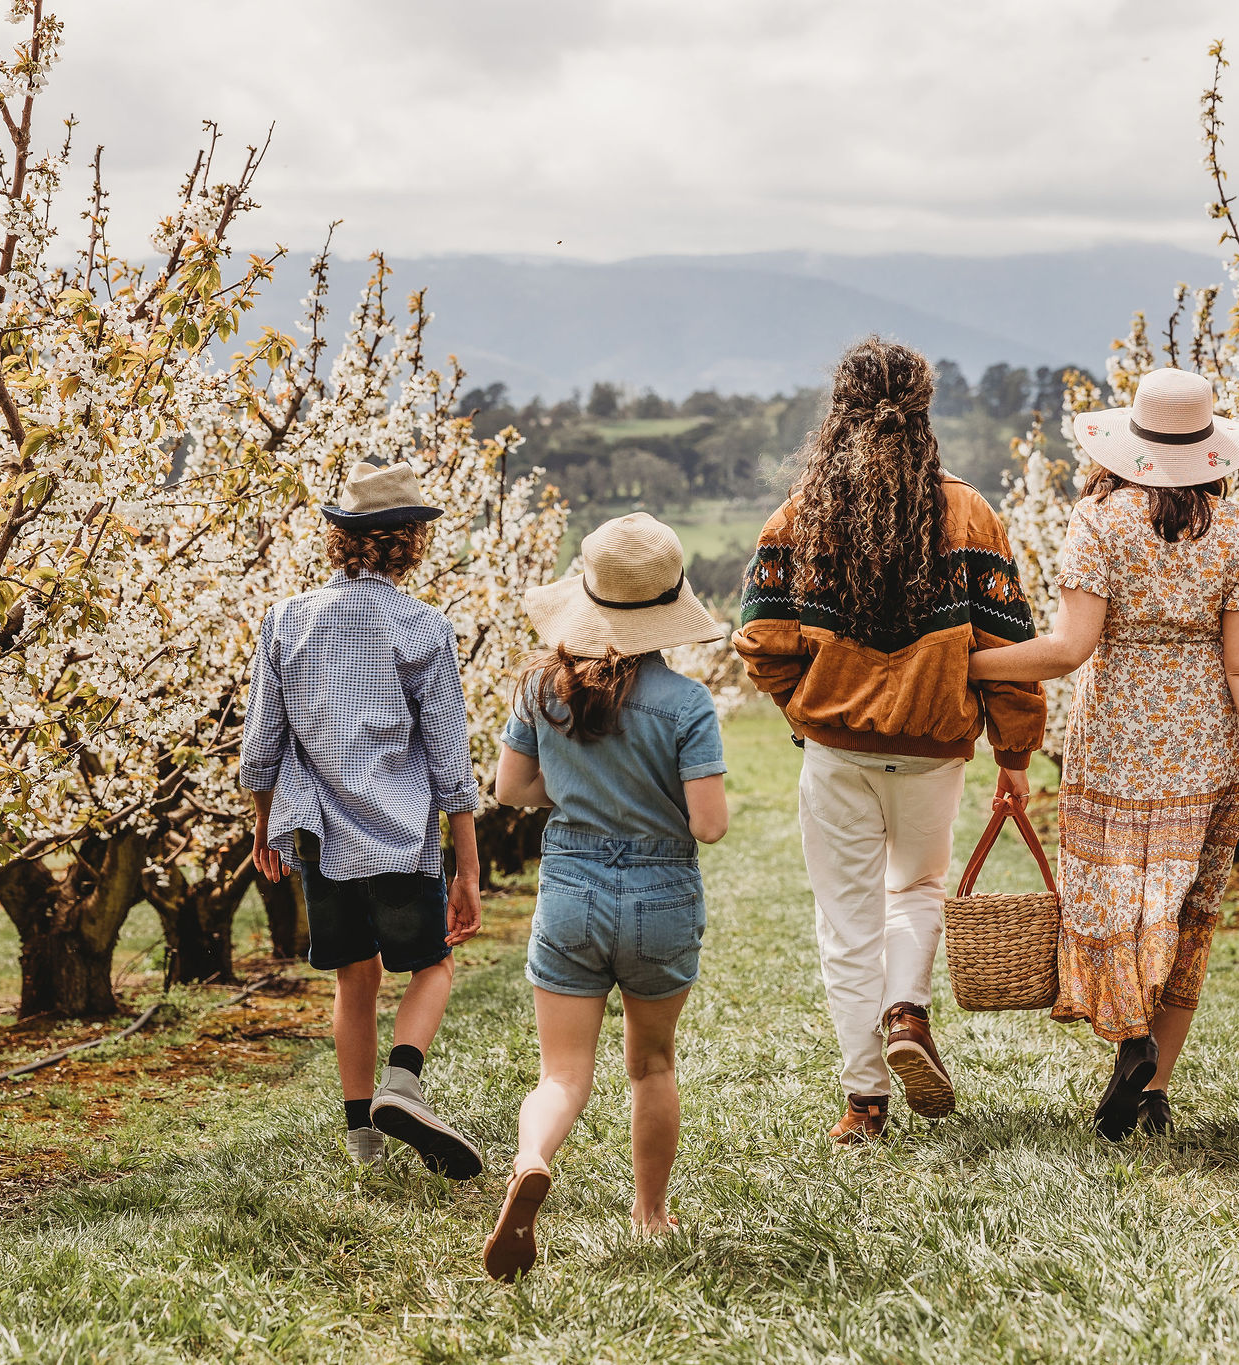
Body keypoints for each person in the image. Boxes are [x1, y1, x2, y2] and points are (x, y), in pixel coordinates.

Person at [733, 339, 1046, 1144]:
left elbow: (762, 640)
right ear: (924, 410)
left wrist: (808, 709)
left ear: (838, 410)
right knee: (916, 887)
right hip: (935, 747)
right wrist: (1015, 754)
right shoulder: (970, 515)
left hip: (837, 750)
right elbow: (1009, 651)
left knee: (846, 920)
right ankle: (908, 1008)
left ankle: (864, 1102)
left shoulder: (798, 516)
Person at [969, 367, 1239, 1140]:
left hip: (1114, 747)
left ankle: (1131, 1039)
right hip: (1206, 752)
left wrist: (965, 663)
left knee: (1112, 908)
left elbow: (1069, 650)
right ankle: (1155, 1091)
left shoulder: (1100, 521)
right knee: (1183, 915)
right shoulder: (1238, 531)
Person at [482, 512, 729, 1282]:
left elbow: (510, 788)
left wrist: (583, 788)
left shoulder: (538, 687)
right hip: (660, 900)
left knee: (561, 1074)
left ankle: (530, 1157)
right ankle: (651, 1214)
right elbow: (709, 825)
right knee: (651, 1065)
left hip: (571, 894)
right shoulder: (687, 705)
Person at [241, 460, 486, 1179]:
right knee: (433, 965)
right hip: (402, 834)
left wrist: (265, 825)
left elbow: (261, 748)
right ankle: (402, 1082)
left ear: (340, 539)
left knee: (354, 978)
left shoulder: (286, 618)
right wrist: (466, 865)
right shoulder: (425, 627)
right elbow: (449, 760)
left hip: (319, 830)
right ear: (410, 542)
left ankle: (363, 1141)